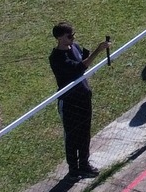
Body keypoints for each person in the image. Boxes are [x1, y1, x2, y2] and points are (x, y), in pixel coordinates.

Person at [48, 23, 110, 178]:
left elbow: (83, 60)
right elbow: (79, 67)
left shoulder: (75, 46)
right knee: (72, 136)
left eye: (73, 35)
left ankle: (84, 164)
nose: (72, 38)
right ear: (59, 38)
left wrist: (90, 54)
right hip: (69, 102)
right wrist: (98, 51)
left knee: (84, 133)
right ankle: (73, 169)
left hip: (83, 97)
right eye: (69, 36)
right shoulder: (56, 58)